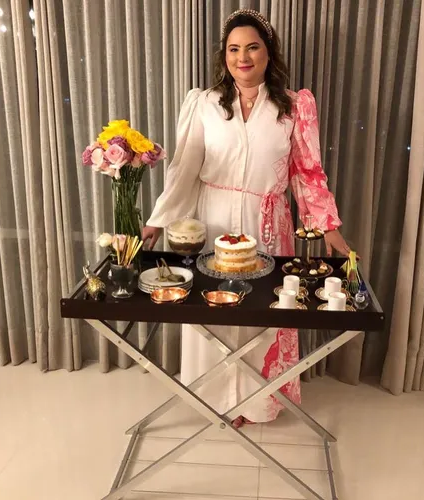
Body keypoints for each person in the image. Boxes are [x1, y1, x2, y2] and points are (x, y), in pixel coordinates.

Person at [142, 9, 351, 427]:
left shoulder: (293, 107)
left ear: (268, 53)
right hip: (212, 221)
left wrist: (329, 228)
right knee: (213, 310)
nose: (243, 57)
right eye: (234, 49)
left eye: (252, 47)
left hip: (267, 224)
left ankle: (255, 402)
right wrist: (158, 219)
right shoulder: (204, 104)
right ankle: (215, 401)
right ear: (224, 56)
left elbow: (307, 173)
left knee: (260, 312)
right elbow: (184, 168)